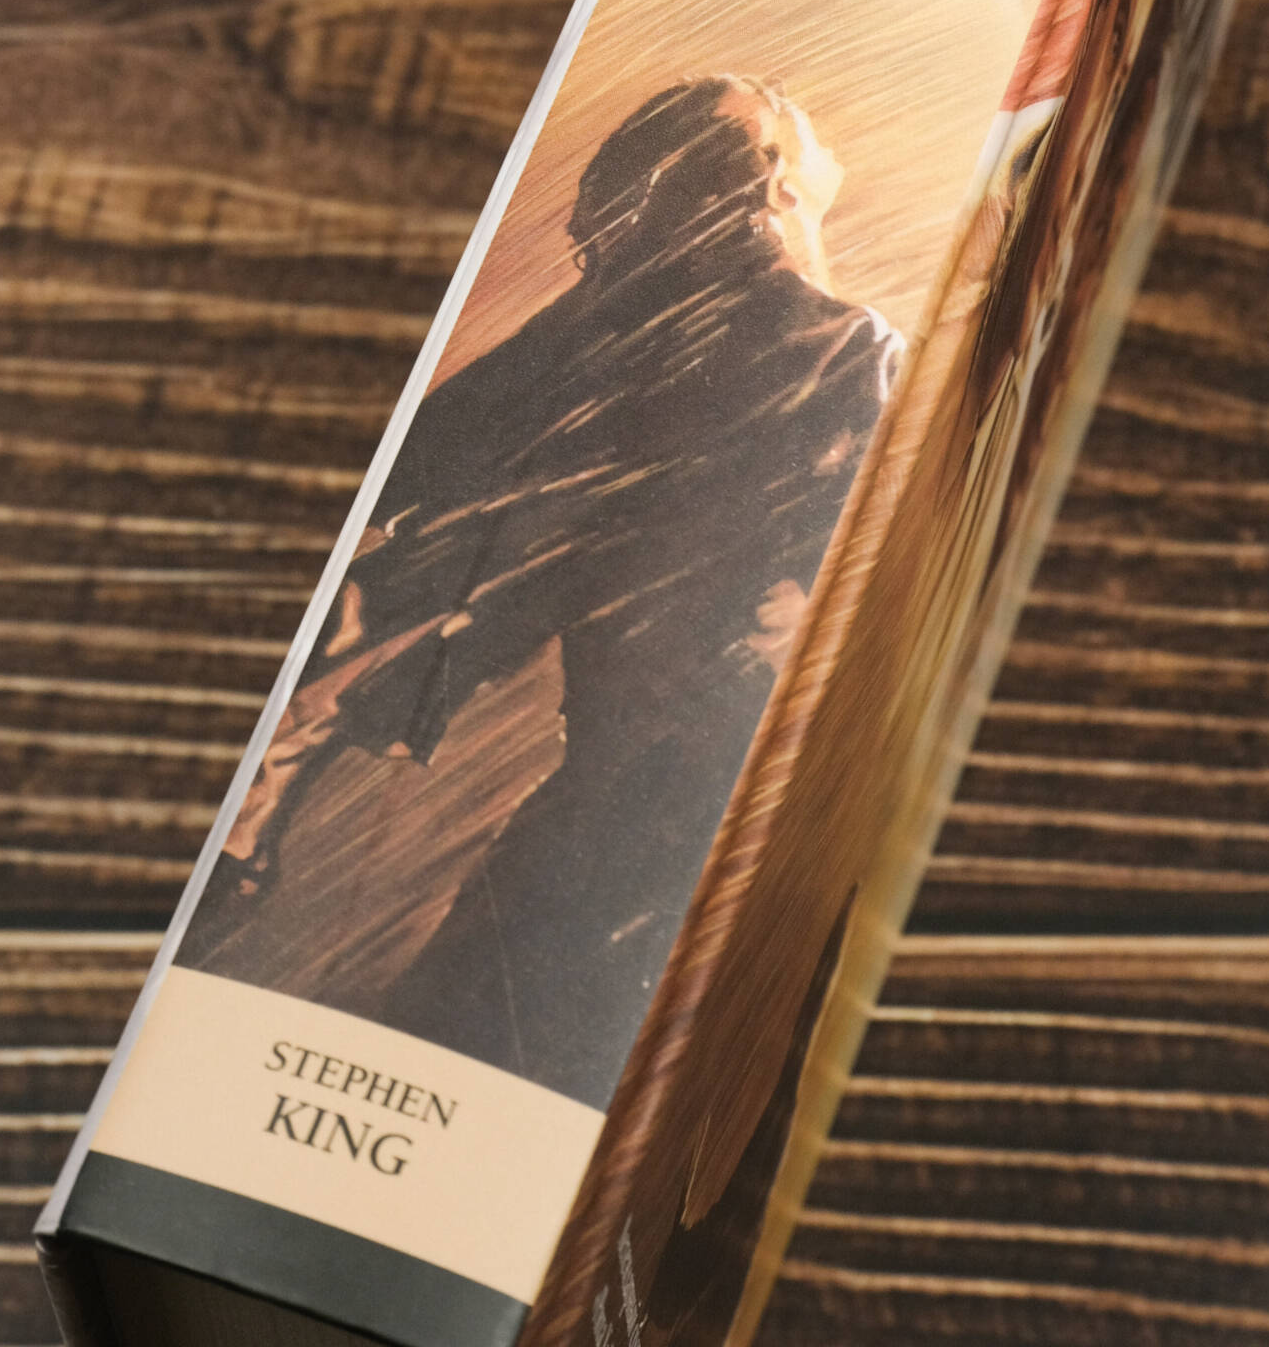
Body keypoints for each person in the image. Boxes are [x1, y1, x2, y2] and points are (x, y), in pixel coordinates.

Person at [199, 75, 900, 1110]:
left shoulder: (629, 331)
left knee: (492, 1028)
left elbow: (428, 495)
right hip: (672, 796)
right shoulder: (810, 340)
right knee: (512, 1039)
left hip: (655, 794)